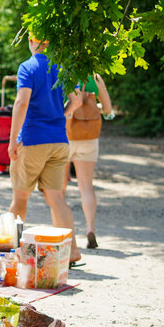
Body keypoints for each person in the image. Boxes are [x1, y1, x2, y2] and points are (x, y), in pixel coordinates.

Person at [8, 36, 83, 264]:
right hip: (59, 140)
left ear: (31, 41)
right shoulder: (63, 66)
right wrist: (62, 114)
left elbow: (22, 103)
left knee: (21, 196)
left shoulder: (27, 66)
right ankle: (72, 253)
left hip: (32, 139)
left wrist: (12, 140)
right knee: (56, 198)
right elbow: (78, 100)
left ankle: (13, 250)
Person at [63, 74, 113, 249]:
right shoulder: (95, 77)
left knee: (59, 189)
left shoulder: (62, 71)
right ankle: (91, 229)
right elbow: (108, 109)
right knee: (86, 186)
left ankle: (63, 234)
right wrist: (93, 106)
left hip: (64, 135)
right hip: (89, 137)